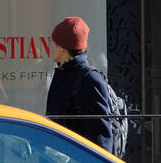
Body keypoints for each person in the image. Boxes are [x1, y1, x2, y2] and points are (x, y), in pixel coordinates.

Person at [45, 16, 113, 151]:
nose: (50, 45)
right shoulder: (62, 73)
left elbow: (102, 138)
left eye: (52, 41)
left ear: (61, 47)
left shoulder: (90, 79)